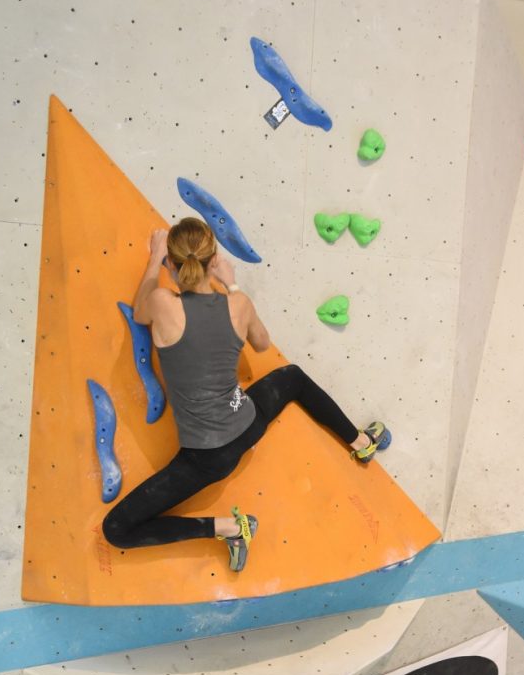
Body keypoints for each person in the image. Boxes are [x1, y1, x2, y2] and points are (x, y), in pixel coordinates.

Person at [102, 218, 390, 571]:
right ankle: (362, 443)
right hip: (247, 418)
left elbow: (139, 308)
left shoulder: (162, 303)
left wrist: (154, 258)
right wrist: (232, 285)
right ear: (214, 262)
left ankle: (229, 529)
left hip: (208, 458)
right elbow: (262, 343)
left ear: (171, 266)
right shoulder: (238, 304)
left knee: (116, 529)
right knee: (293, 377)